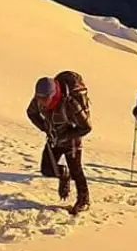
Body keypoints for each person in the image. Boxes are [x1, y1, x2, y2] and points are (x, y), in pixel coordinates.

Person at [26, 73, 92, 215]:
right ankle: (63, 174)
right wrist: (45, 127)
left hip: (72, 140)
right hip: (54, 137)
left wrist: (66, 136)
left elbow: (86, 127)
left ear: (53, 94)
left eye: (45, 99)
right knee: (46, 169)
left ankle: (84, 200)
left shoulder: (70, 104)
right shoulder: (39, 99)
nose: (42, 102)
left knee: (76, 170)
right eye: (39, 98)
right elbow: (31, 112)